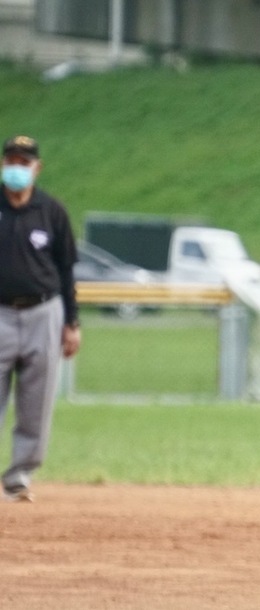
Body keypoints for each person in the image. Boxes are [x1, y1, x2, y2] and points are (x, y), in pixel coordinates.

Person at [0, 134, 82, 503]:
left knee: (37, 400)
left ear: (37, 168)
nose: (17, 168)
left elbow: (66, 269)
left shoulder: (51, 211)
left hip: (43, 311)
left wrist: (72, 323)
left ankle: (20, 475)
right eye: (11, 161)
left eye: (24, 162)